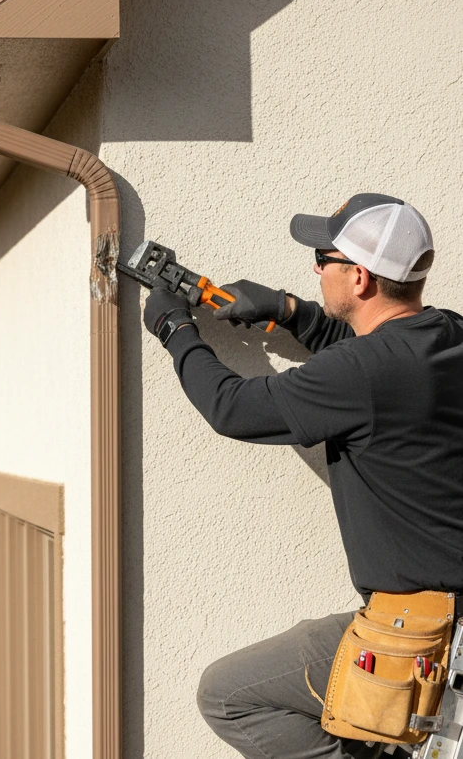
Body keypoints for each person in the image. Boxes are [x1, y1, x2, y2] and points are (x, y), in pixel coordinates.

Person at [141, 193, 463, 759]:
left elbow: (233, 408)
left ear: (358, 277)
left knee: (228, 695)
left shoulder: (361, 373)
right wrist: (292, 311)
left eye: (324, 257)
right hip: (452, 614)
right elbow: (377, 358)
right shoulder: (449, 334)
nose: (316, 268)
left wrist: (175, 330)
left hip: (418, 634)